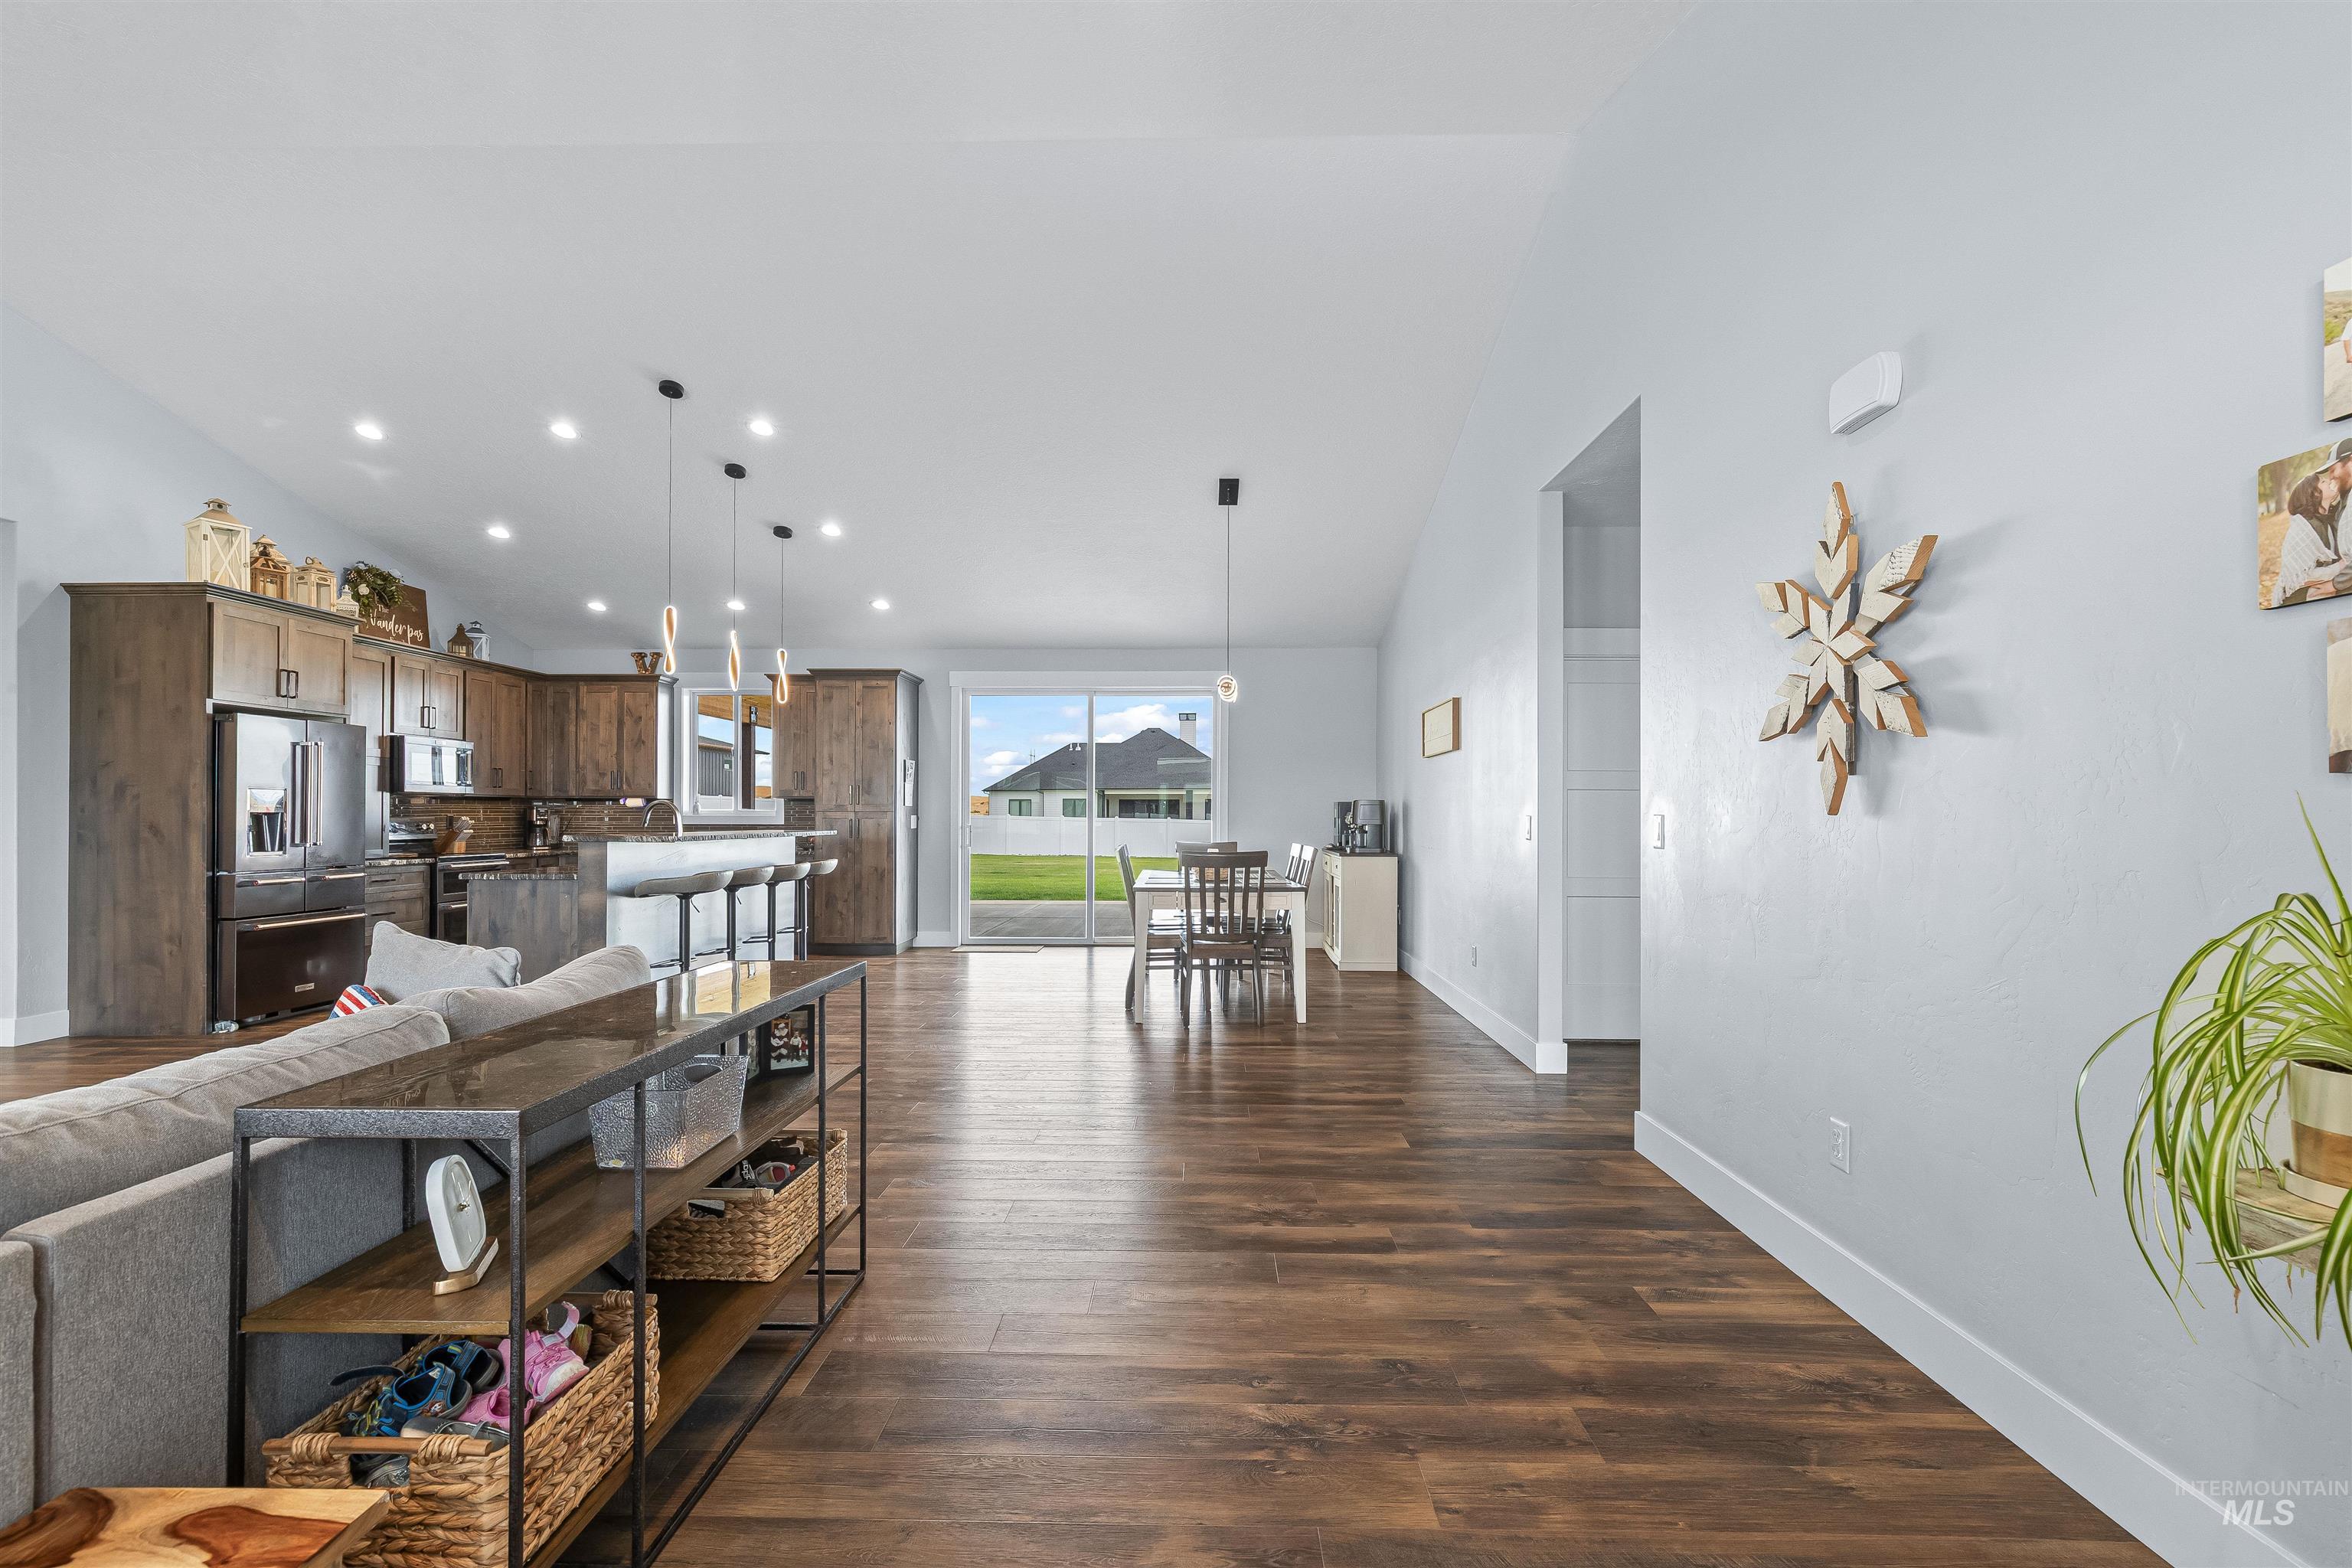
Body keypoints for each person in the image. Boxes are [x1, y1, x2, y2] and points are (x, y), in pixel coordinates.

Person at [2275, 443, 2352, 606]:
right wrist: (2339, 567)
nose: (2330, 480)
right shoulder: (2304, 528)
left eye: (2332, 471)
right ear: (2315, 494)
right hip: (2300, 600)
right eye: (2323, 481)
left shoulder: (2331, 517)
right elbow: (2300, 576)